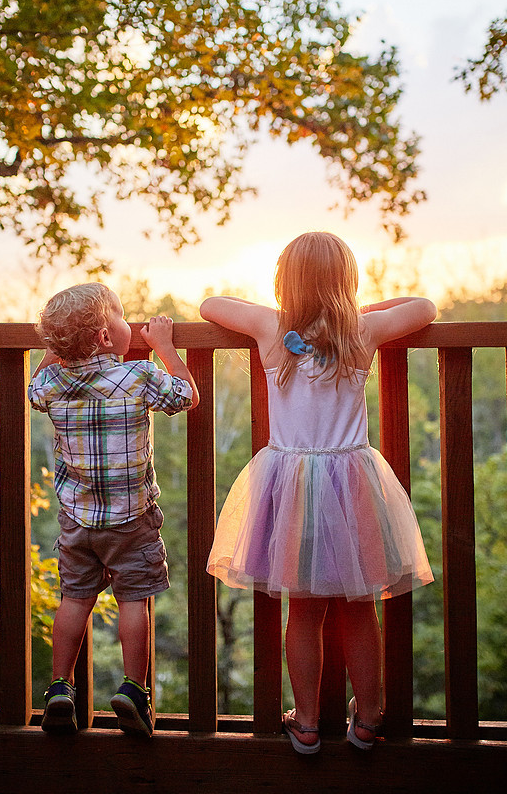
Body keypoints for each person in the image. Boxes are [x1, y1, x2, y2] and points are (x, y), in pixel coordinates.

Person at [201, 232, 436, 754]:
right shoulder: (362, 330)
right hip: (352, 482)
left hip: (290, 484)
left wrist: (286, 307)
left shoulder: (271, 326)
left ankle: (306, 723)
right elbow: (425, 307)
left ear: (284, 280)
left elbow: (210, 305)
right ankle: (368, 719)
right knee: (360, 608)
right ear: (347, 280)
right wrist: (360, 309)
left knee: (303, 612)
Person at [28, 283, 199, 736]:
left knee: (74, 600)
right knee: (133, 600)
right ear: (106, 336)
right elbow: (186, 395)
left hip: (77, 521)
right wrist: (164, 346)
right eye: (122, 316)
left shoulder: (52, 383)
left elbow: (33, 390)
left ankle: (59, 687)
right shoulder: (138, 376)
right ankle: (134, 690)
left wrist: (54, 349)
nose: (129, 324)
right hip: (131, 520)